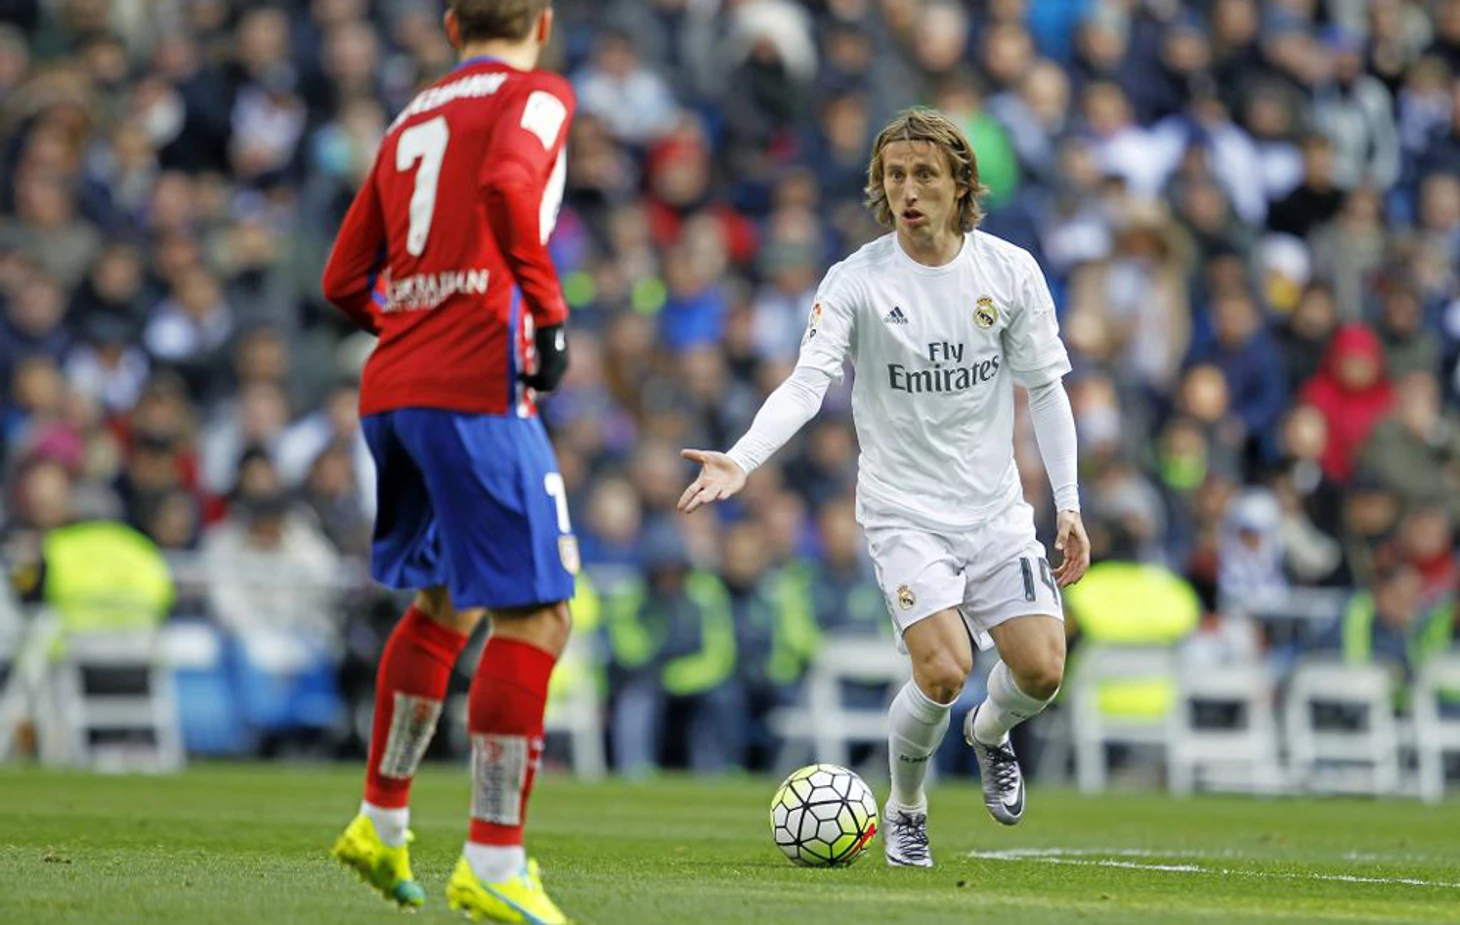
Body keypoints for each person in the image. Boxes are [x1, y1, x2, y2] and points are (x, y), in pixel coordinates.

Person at [678, 107, 1089, 869]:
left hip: (996, 510)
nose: (908, 190)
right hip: (904, 513)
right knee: (943, 669)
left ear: (961, 184)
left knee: (1041, 669)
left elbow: (1048, 390)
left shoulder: (1009, 271)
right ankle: (906, 808)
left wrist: (1066, 504)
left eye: (925, 174)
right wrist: (742, 457)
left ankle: (989, 733)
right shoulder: (857, 282)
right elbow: (806, 384)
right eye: (895, 175)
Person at [318, 1, 577, 921]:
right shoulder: (538, 93)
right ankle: (495, 858)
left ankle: (380, 820)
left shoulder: (409, 118)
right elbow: (510, 181)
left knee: (446, 600)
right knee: (540, 616)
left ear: (450, 20)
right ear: (543, 20)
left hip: (394, 388)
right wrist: (545, 310)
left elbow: (342, 279)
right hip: (475, 389)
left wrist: (414, 327)